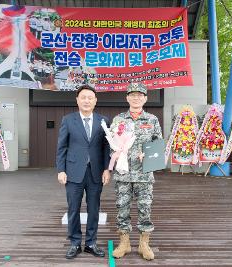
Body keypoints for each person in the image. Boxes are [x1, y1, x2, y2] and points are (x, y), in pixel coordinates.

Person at [56, 84, 111, 259]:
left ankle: (91, 243)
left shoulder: (103, 121)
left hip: (95, 172)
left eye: (90, 98)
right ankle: (74, 243)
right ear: (77, 100)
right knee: (73, 208)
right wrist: (61, 170)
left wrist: (107, 169)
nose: (86, 100)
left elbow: (106, 148)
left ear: (95, 101)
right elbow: (62, 147)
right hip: (73, 172)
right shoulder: (68, 120)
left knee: (94, 208)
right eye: (83, 97)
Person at [111, 82, 163, 261]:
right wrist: (117, 152)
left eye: (140, 95)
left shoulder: (152, 119)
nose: (136, 98)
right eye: (132, 95)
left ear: (145, 98)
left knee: (145, 208)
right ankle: (124, 243)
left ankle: (143, 244)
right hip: (123, 174)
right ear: (127, 98)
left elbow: (158, 146)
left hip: (144, 174)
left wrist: (147, 154)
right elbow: (111, 145)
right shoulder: (119, 120)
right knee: (122, 208)